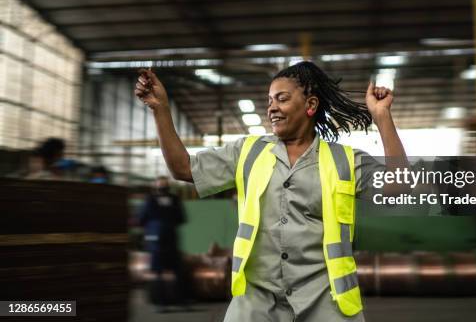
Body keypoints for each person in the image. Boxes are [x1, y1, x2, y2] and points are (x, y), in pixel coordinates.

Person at [135, 61, 407, 321]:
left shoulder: (344, 160)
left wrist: (382, 116)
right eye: (269, 100)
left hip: (325, 301)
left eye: (282, 99)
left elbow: (400, 185)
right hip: (257, 302)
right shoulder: (248, 152)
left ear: (310, 104)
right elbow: (183, 167)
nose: (272, 108)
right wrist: (160, 109)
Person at [138, 176, 188, 312]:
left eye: (163, 186)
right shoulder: (152, 200)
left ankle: (177, 302)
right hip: (159, 240)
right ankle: (163, 303)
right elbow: (141, 219)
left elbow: (182, 218)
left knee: (173, 271)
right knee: (160, 272)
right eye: (161, 186)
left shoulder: (170, 200)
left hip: (166, 239)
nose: (162, 188)